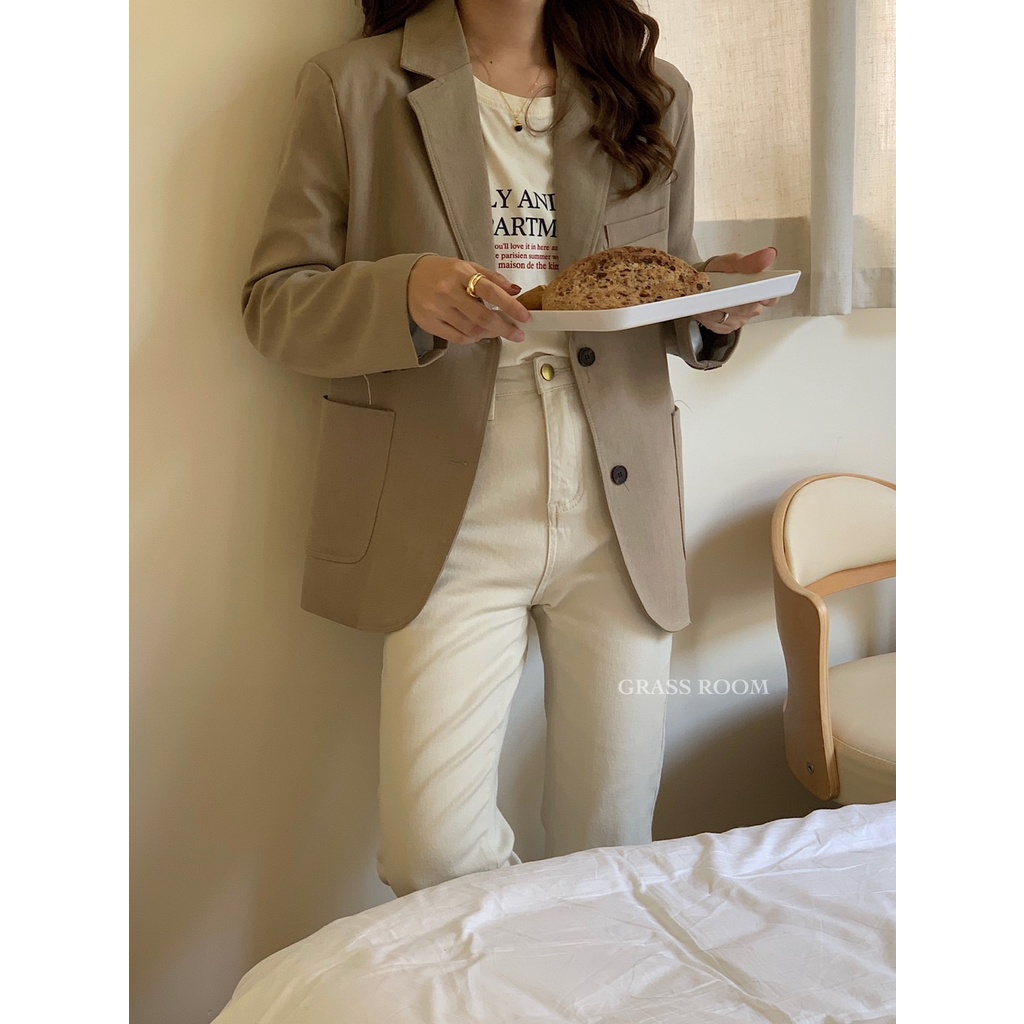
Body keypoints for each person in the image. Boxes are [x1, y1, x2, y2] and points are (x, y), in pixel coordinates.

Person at [242, 0, 777, 897]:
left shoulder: (650, 93)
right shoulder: (353, 86)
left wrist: (712, 310)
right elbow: (274, 303)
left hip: (621, 504)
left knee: (611, 841)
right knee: (432, 853)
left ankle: (574, 966)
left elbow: (667, 284)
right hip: (446, 507)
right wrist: (401, 293)